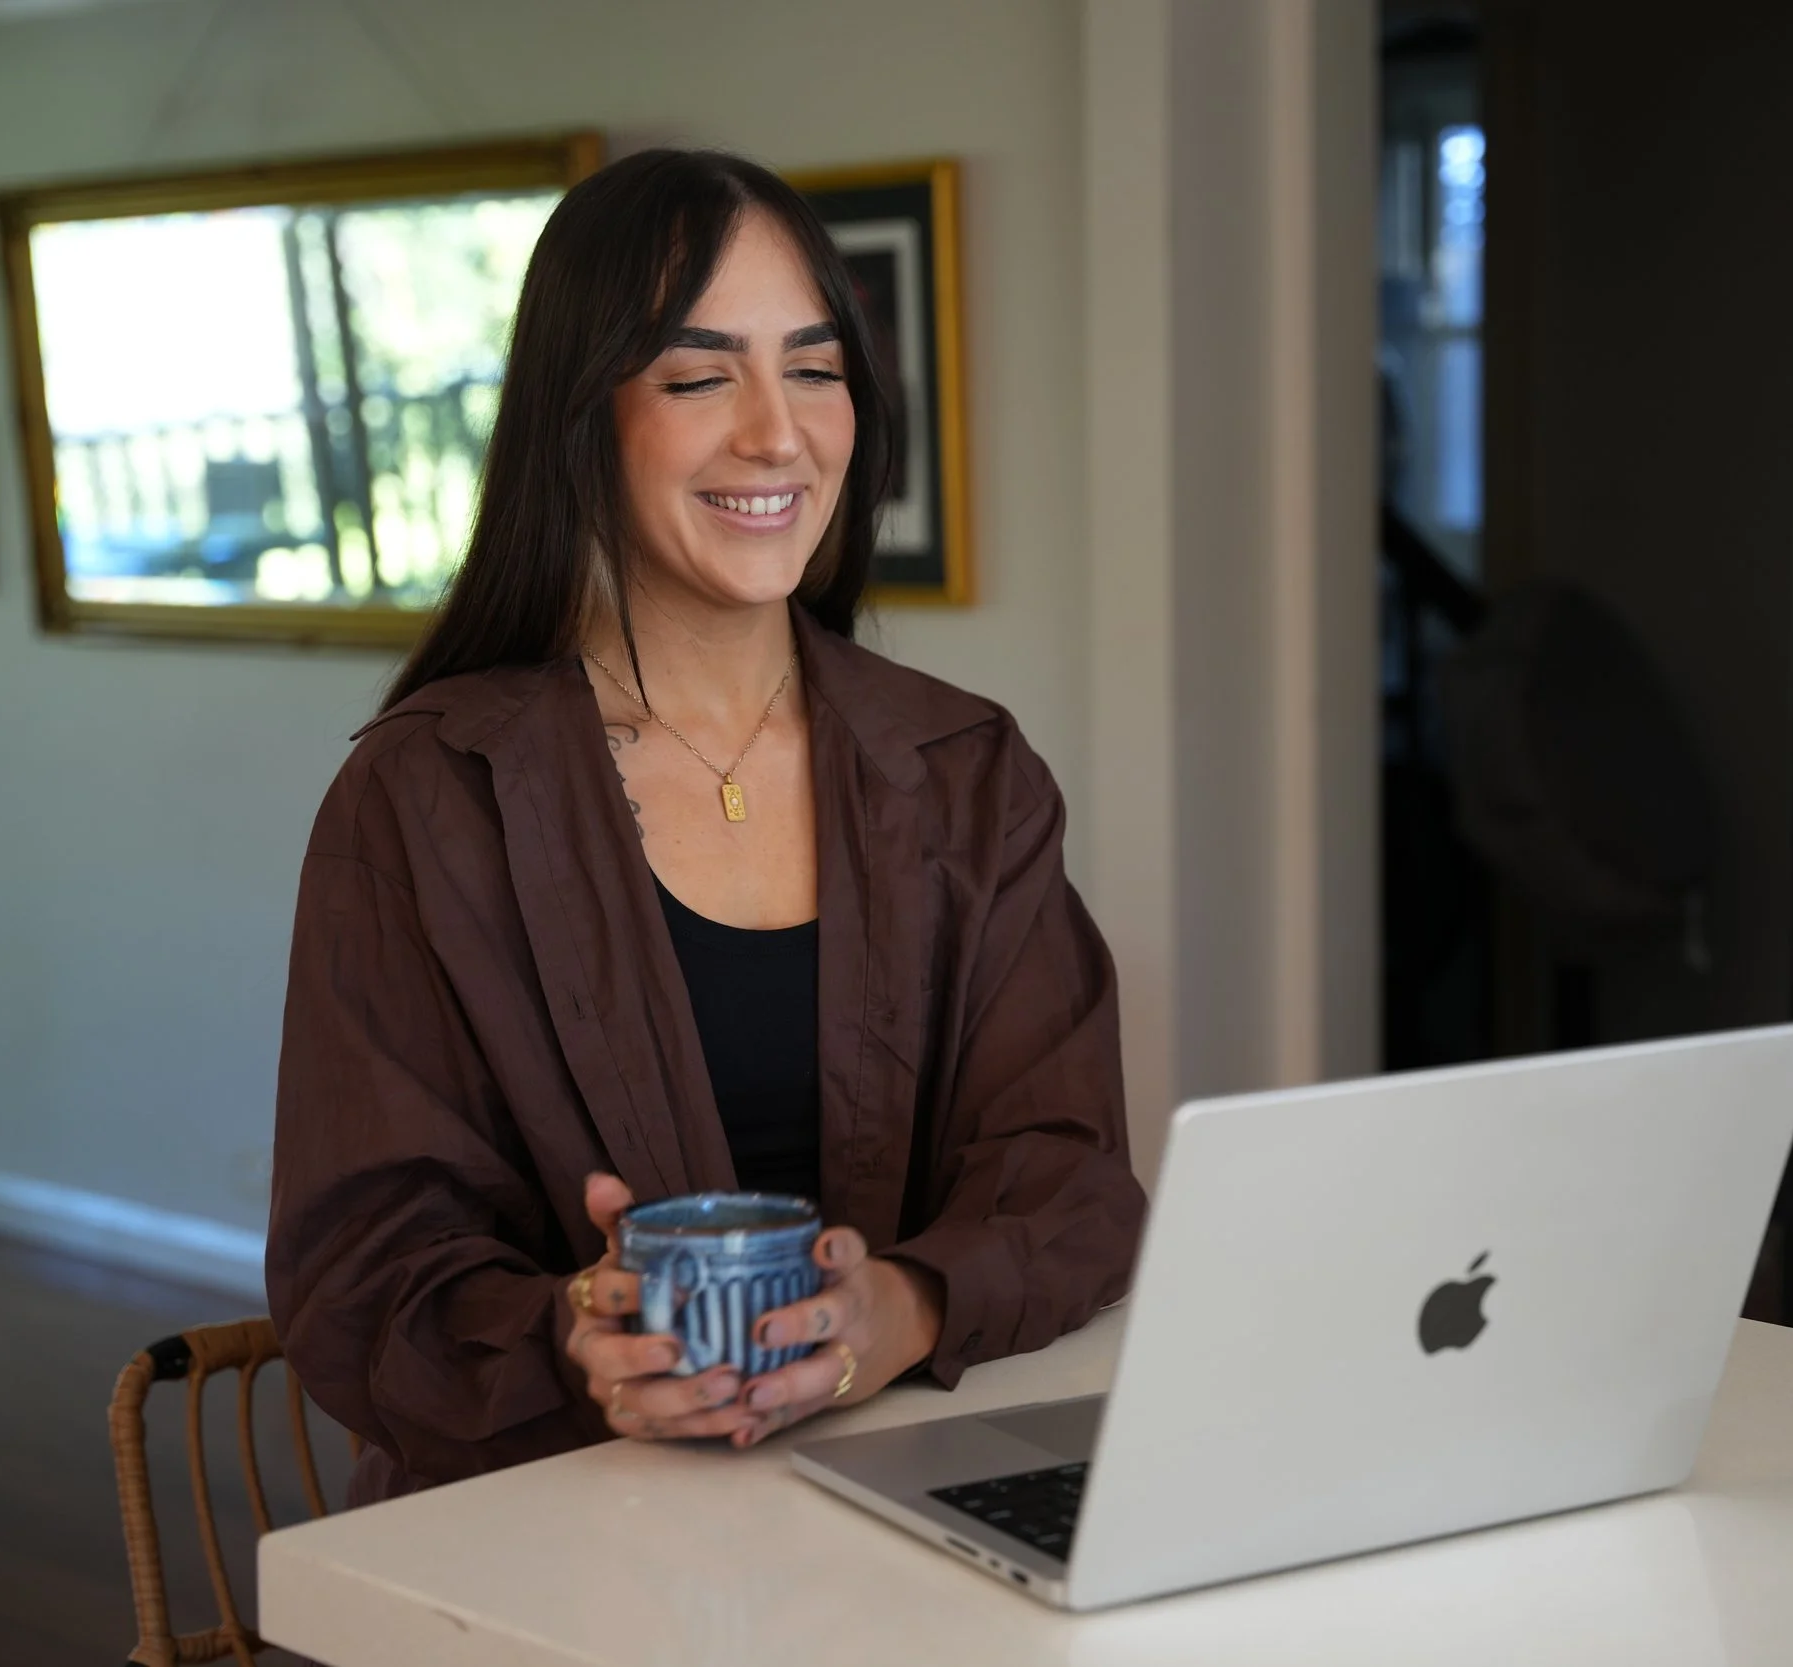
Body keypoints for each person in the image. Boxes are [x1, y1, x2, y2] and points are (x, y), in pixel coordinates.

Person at [267, 149, 1145, 1505]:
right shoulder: (428, 799)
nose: (777, 434)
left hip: (906, 1489)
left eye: (814, 368)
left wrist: (899, 1308)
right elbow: (363, 1273)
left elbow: (1072, 1185)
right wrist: (574, 1338)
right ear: (582, 419)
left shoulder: (966, 773)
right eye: (698, 378)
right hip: (557, 1523)